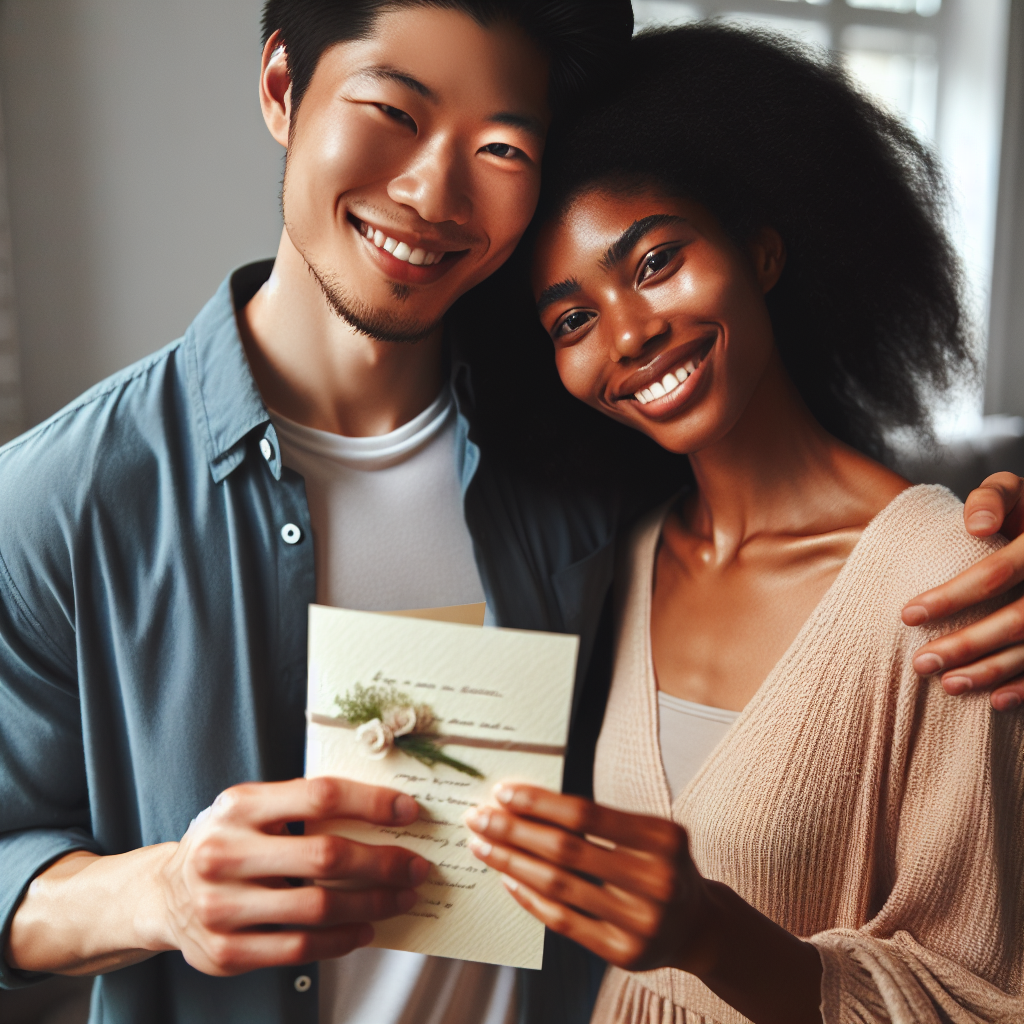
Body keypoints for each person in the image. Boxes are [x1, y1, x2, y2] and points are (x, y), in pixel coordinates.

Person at [0, 4, 1022, 1024]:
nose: (431, 191)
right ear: (280, 87)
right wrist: (155, 893)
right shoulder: (63, 498)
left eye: (499, 145)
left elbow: (803, 504)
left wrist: (988, 525)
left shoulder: (583, 475)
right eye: (391, 110)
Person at [464, 24, 1024, 1023]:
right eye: (571, 319)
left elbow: (980, 996)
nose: (630, 335)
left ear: (761, 249)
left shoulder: (946, 579)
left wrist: (710, 936)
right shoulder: (625, 561)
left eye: (654, 261)